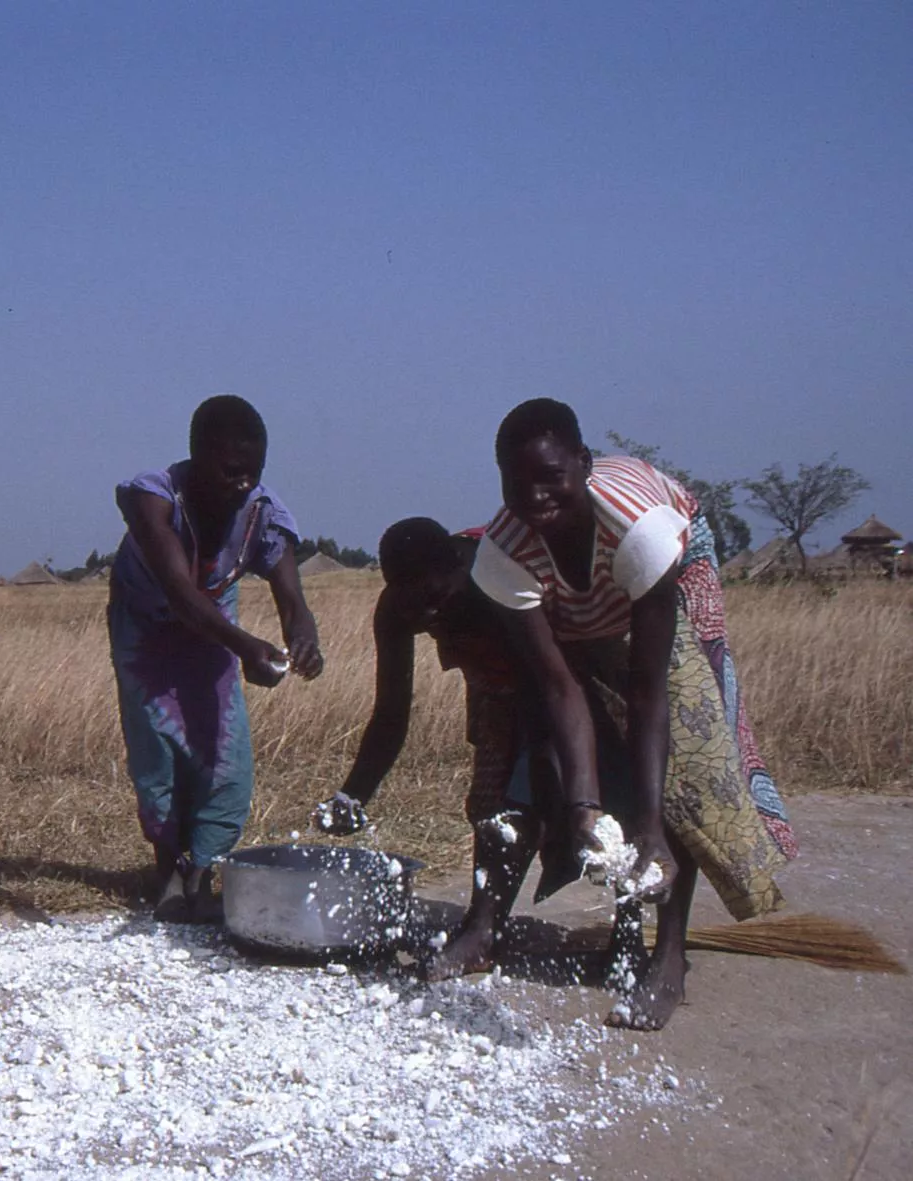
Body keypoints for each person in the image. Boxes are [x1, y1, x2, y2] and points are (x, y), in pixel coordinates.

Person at [472, 397, 797, 1030]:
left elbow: (649, 688)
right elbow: (560, 687)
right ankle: (620, 925)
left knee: (686, 753)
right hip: (590, 588)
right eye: (518, 483)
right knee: (586, 733)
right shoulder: (503, 554)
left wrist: (648, 823)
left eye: (551, 478)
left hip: (672, 549)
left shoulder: (641, 528)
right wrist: (585, 809)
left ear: (583, 465)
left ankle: (668, 953)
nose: (536, 496)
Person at [313, 517, 567, 979]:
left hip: (560, 683)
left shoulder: (498, 581)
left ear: (458, 568)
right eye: (412, 607)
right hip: (497, 688)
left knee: (558, 806)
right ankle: (484, 925)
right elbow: (391, 715)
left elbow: (549, 685)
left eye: (435, 599)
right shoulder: (398, 608)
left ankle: (620, 937)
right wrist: (352, 795)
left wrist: (542, 766)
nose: (426, 617)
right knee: (489, 809)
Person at [108, 395, 324, 922]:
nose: (243, 483)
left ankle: (199, 874)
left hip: (214, 626)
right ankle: (166, 868)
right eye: (230, 471)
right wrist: (247, 646)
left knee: (222, 749)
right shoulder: (154, 499)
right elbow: (181, 594)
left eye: (252, 472)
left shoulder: (262, 515)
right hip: (147, 627)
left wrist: (304, 641)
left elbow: (292, 598)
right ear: (196, 458)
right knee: (157, 747)